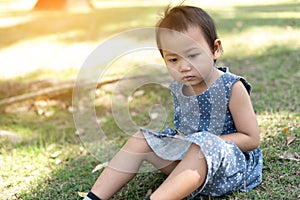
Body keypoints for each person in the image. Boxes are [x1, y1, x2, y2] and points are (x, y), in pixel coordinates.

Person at [84, 4, 263, 200]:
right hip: (190, 168)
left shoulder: (231, 86)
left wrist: (203, 141)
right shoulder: (179, 87)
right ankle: (93, 197)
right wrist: (181, 140)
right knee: (142, 138)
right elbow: (185, 128)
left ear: (215, 49)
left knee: (202, 145)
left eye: (193, 55)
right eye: (173, 60)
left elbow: (251, 138)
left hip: (229, 169)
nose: (184, 67)